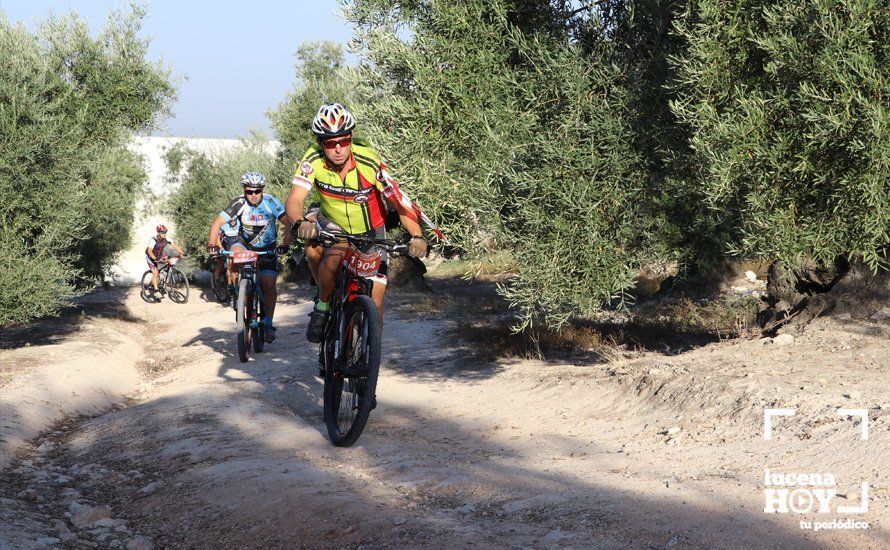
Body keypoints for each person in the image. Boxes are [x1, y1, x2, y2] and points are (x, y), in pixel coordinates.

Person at [285, 103, 428, 344]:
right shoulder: (313, 159)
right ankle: (322, 307)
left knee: (377, 303)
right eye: (330, 143)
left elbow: (400, 201)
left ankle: (367, 361)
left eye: (344, 140)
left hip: (373, 229)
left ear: (351, 138)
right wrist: (299, 222)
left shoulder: (368, 160)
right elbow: (294, 198)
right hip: (333, 221)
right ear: (321, 143)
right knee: (334, 252)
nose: (338, 149)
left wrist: (417, 235)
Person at [207, 172, 292, 343]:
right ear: (244, 191)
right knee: (235, 254)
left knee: (268, 284)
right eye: (249, 192)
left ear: (262, 189)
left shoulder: (270, 202)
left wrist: (285, 244)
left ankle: (268, 323)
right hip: (244, 244)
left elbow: (288, 223)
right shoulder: (238, 203)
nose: (253, 195)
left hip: (268, 248)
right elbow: (217, 223)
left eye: (257, 191)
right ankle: (240, 291)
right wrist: (212, 244)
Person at [145, 224, 185, 302]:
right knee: (155, 272)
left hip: (160, 255)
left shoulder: (167, 238)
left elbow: (175, 246)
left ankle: (160, 280)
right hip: (151, 257)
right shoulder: (153, 240)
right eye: (162, 232)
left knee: (168, 262)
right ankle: (156, 291)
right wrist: (155, 259)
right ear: (158, 233)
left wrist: (181, 253)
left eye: (165, 232)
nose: (164, 234)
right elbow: (149, 251)